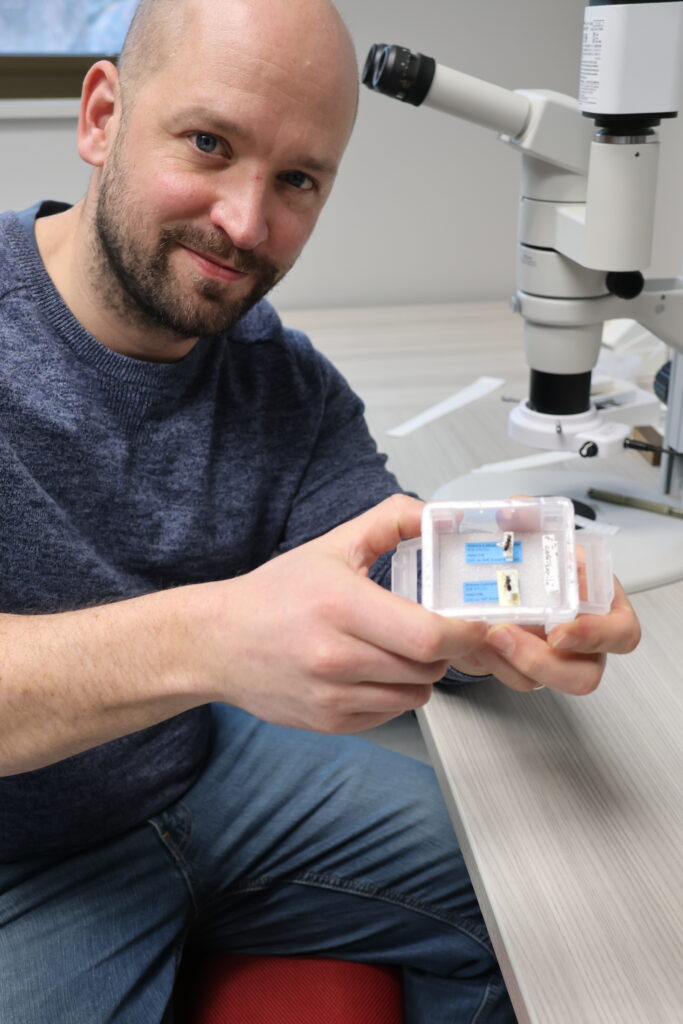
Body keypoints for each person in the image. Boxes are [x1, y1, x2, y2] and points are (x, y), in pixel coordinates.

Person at [0, 0, 640, 1021]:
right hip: (21, 864)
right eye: (209, 144)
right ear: (102, 116)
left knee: (557, 905)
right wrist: (211, 640)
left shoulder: (280, 381)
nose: (247, 224)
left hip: (200, 776)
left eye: (296, 179)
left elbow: (389, 554)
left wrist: (515, 610)